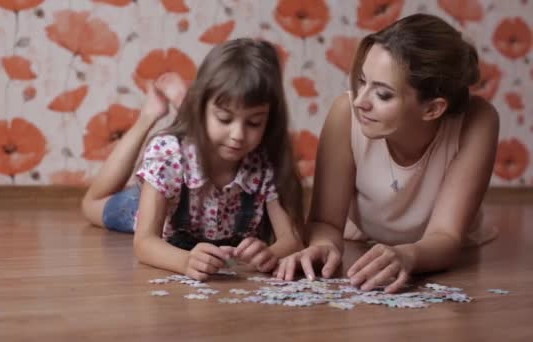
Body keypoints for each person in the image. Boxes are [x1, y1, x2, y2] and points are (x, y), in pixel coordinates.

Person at [275, 13, 499, 293]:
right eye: (361, 81)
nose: (360, 101)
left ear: (432, 109)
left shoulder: (478, 120)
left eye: (382, 95)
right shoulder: (345, 113)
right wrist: (323, 246)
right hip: (363, 237)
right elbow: (325, 221)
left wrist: (408, 256)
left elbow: (446, 235)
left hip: (442, 248)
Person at [82, 38, 304, 281]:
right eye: (224, 118)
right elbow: (144, 242)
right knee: (92, 205)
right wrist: (184, 260)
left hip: (194, 182)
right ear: (204, 110)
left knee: (218, 133)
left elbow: (291, 239)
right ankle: (151, 114)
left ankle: (188, 107)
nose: (238, 135)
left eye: (254, 122)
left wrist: (270, 254)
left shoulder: (266, 159)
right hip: (163, 196)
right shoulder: (167, 154)